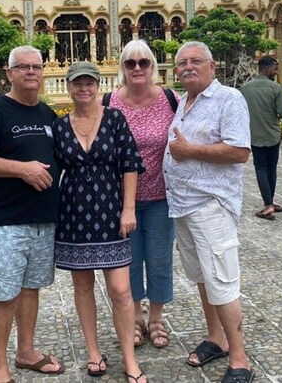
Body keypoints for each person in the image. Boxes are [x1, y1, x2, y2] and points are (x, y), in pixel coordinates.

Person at [0, 45, 65, 383]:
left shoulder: (47, 115)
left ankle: (26, 351)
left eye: (36, 66)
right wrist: (22, 170)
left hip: (43, 219)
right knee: (4, 294)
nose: (31, 72)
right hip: (7, 221)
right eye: (23, 67)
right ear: (9, 73)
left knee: (30, 289)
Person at [163, 41, 254, 383]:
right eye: (182, 63)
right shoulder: (183, 101)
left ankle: (240, 357)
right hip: (183, 205)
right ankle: (216, 338)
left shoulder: (228, 99)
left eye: (195, 61)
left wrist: (191, 151)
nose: (188, 67)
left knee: (223, 280)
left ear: (212, 66)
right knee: (202, 276)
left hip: (210, 205)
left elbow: (239, 151)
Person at [54, 61, 147, 382]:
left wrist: (129, 208)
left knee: (121, 290)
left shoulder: (114, 118)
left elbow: (130, 164)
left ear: (98, 86)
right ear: (69, 87)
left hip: (111, 212)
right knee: (83, 287)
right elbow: (51, 171)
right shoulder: (60, 125)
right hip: (74, 216)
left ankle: (129, 359)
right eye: (78, 83)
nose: (84, 88)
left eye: (89, 83)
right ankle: (94, 351)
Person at [104, 39, 179, 350]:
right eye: (130, 63)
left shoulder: (170, 99)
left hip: (161, 196)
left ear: (153, 66)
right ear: (122, 68)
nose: (137, 68)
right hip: (123, 202)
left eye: (143, 62)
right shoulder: (109, 102)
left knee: (160, 258)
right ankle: (135, 315)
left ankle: (157, 317)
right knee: (130, 260)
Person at [241, 55, 282, 220]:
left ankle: (268, 203)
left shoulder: (246, 88)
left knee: (260, 168)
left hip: (253, 134)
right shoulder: (275, 88)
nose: (276, 72)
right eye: (275, 69)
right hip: (272, 133)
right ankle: (269, 204)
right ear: (267, 68)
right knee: (271, 168)